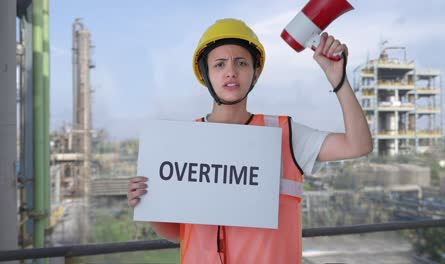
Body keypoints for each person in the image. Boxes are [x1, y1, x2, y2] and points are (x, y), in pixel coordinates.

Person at [127, 18, 372, 264]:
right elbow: (179, 233)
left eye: (241, 63)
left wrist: (337, 79)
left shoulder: (284, 134)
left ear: (255, 72)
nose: (231, 72)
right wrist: (150, 202)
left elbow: (358, 145)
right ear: (206, 74)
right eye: (219, 64)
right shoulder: (184, 142)